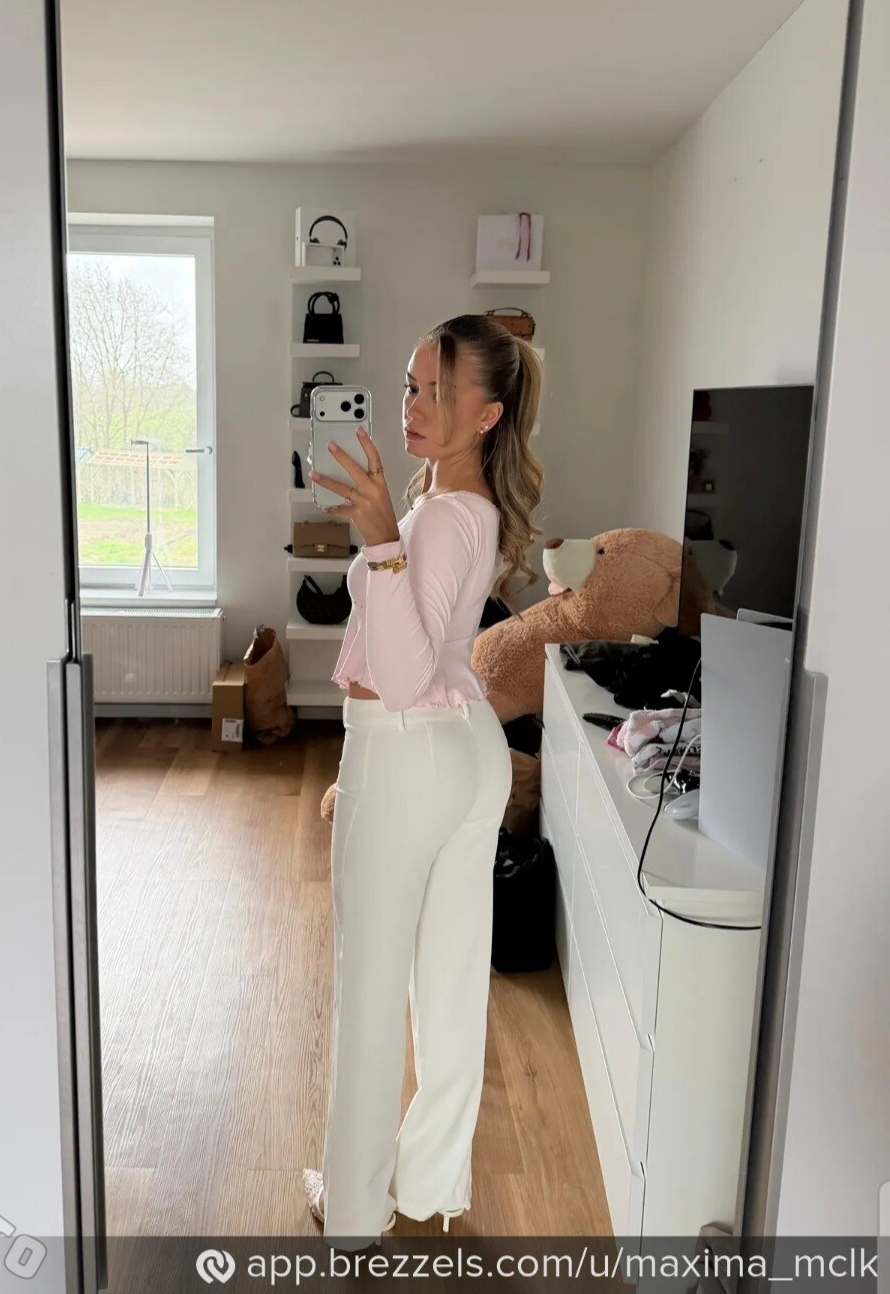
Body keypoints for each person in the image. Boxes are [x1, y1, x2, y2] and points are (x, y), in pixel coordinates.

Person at [301, 314, 545, 1250]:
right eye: (410, 385)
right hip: (464, 751)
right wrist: (387, 535)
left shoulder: (439, 515)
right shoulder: (469, 507)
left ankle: (354, 1214)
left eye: (437, 390)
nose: (413, 404)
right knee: (447, 986)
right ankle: (430, 1183)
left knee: (370, 988)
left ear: (486, 414)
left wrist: (376, 537)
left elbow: (400, 676)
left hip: (405, 750)